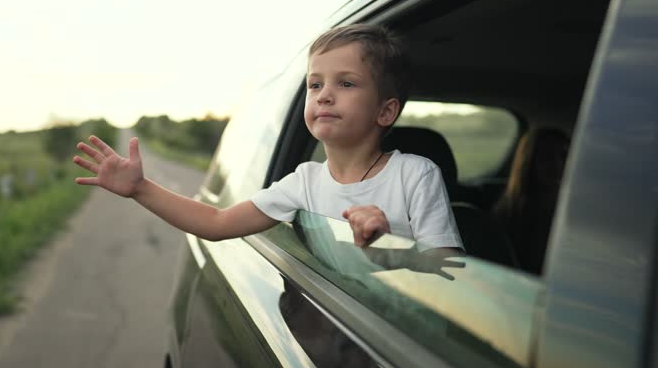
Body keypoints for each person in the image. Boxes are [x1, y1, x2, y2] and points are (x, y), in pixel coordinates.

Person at [73, 24, 463, 252]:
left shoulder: (416, 175)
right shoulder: (303, 183)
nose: (324, 94)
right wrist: (140, 188)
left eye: (346, 83)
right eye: (314, 84)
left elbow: (449, 273)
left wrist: (389, 240)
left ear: (385, 111)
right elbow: (216, 221)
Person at [492, 126, 570, 274]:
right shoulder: (508, 214)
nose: (557, 164)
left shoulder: (576, 211)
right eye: (546, 157)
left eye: (564, 155)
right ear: (528, 163)